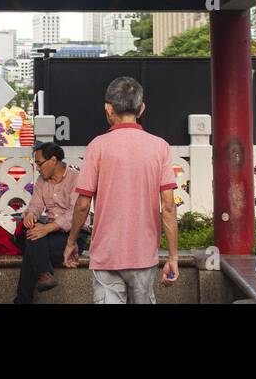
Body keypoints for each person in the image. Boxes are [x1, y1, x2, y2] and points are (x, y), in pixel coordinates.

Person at [63, 77, 178, 304]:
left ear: (108, 108)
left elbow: (83, 204)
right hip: (144, 254)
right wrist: (173, 256)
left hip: (106, 254)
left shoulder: (97, 146)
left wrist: (71, 242)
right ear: (141, 108)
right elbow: (168, 205)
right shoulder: (159, 146)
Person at [15, 141, 79, 304]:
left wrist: (48, 228)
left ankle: (23, 299)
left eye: (39, 163)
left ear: (53, 160)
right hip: (49, 235)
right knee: (34, 233)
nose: (37, 168)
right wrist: (31, 215)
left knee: (32, 246)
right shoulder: (41, 181)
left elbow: (76, 213)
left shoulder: (76, 177)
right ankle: (44, 275)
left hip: (73, 234)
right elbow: (35, 205)